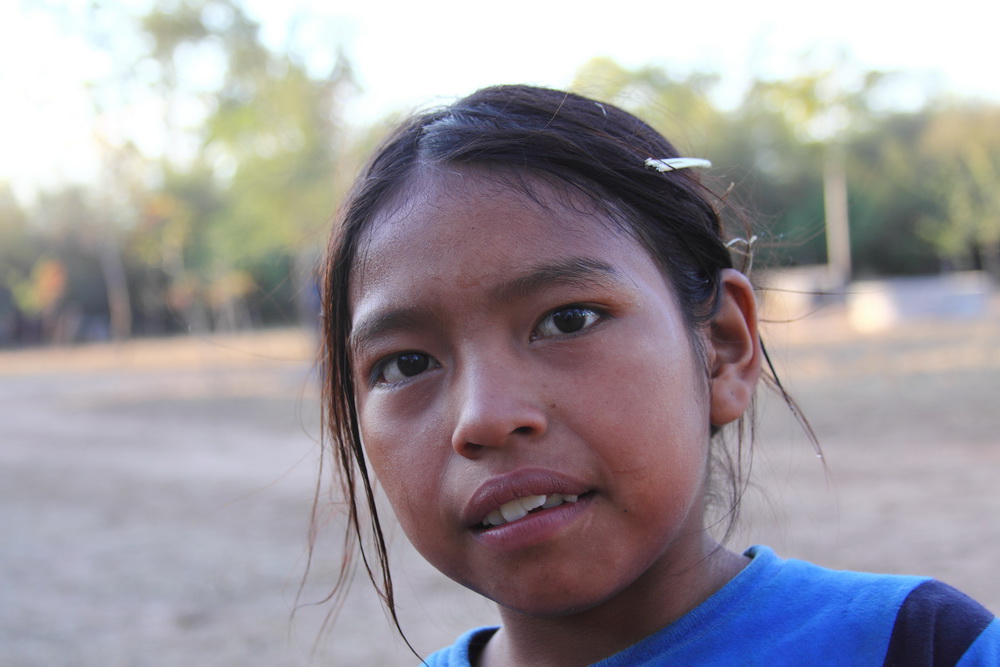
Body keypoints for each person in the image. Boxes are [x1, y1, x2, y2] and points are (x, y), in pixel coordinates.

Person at [318, 84, 998, 666]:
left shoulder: (914, 646)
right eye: (406, 364)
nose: (485, 416)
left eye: (568, 320)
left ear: (723, 347)